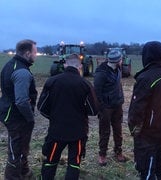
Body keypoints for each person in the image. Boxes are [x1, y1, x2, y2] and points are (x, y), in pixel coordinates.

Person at [37, 54, 98, 180]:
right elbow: (93, 110)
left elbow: (42, 107)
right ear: (80, 66)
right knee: (74, 163)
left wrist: (54, 117)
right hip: (78, 132)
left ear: (65, 65)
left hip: (56, 131)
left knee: (51, 160)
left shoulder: (52, 81)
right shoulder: (85, 84)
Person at [128, 41, 161, 179]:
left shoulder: (146, 78)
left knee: (147, 170)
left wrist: (135, 131)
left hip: (148, 135)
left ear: (147, 56)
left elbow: (137, 110)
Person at [0, 39, 38, 180]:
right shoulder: (22, 72)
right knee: (16, 150)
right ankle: (12, 177)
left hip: (11, 113)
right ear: (27, 53)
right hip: (17, 117)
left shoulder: (10, 64)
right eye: (35, 52)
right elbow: (21, 101)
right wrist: (30, 117)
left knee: (22, 146)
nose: (36, 54)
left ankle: (24, 172)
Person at [94, 49, 127, 165]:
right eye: (121, 59)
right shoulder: (101, 73)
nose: (122, 61)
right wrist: (102, 108)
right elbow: (96, 92)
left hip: (117, 105)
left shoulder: (118, 69)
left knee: (118, 130)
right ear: (117, 61)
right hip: (106, 108)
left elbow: (118, 85)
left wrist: (120, 99)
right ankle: (102, 154)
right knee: (104, 132)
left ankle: (118, 152)